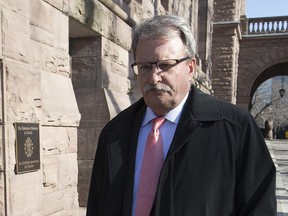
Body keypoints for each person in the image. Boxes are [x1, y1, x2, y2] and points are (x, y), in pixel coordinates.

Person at [86, 15, 276, 216]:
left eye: (165, 65)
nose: (154, 76)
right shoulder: (114, 133)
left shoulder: (235, 129)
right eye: (144, 67)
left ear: (191, 67)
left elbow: (259, 208)